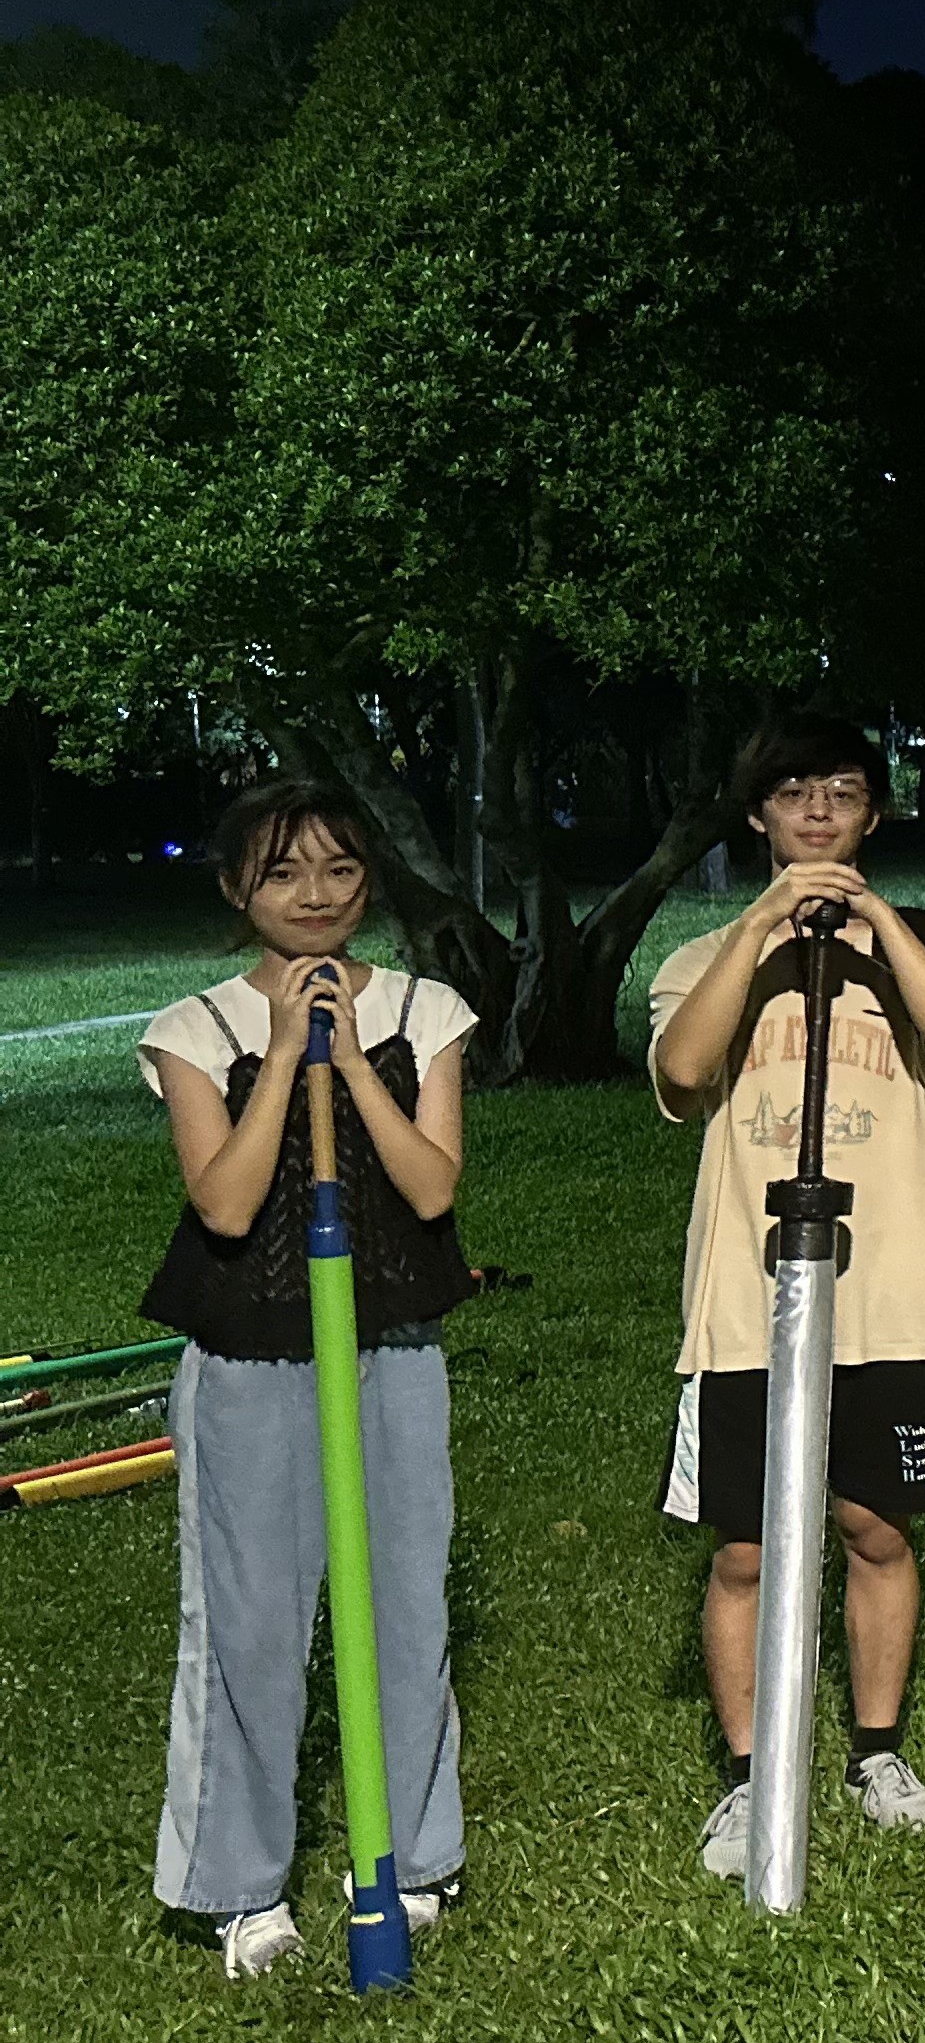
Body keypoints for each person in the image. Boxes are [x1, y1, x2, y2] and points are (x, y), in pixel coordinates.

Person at [136, 781, 473, 1979]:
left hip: (390, 1345)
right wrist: (284, 1049)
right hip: (249, 1353)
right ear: (238, 890)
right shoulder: (195, 1030)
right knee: (250, 1621)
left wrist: (354, 1059)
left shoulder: (429, 1009)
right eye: (284, 875)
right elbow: (223, 1204)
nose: (317, 897)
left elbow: (432, 1191)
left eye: (339, 869)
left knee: (405, 1605)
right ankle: (242, 1891)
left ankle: (412, 1860)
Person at [649, 717, 925, 1875]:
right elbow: (685, 1074)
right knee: (747, 1548)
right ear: (756, 817)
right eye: (792, 796)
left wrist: (879, 923)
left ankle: (879, 1754)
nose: (816, 815)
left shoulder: (923, 946)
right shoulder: (702, 959)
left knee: (874, 1526)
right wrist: (761, 926)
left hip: (889, 1294)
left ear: (872, 816)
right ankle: (752, 1780)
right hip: (748, 1302)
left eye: (841, 795)